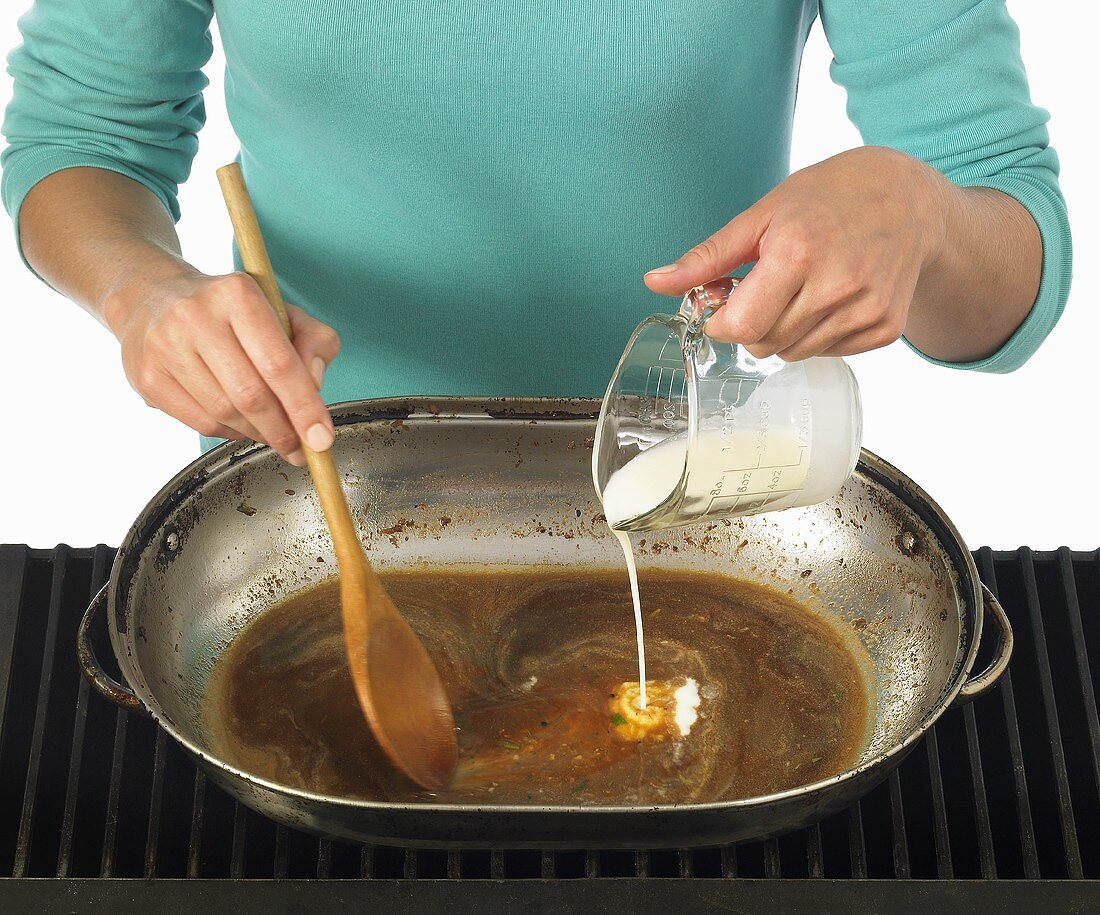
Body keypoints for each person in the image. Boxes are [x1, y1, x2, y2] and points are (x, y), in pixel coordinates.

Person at [2, 2, 1070, 466]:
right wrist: (139, 289)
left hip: (684, 494)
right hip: (309, 483)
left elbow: (1011, 254)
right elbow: (78, 134)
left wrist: (922, 216)